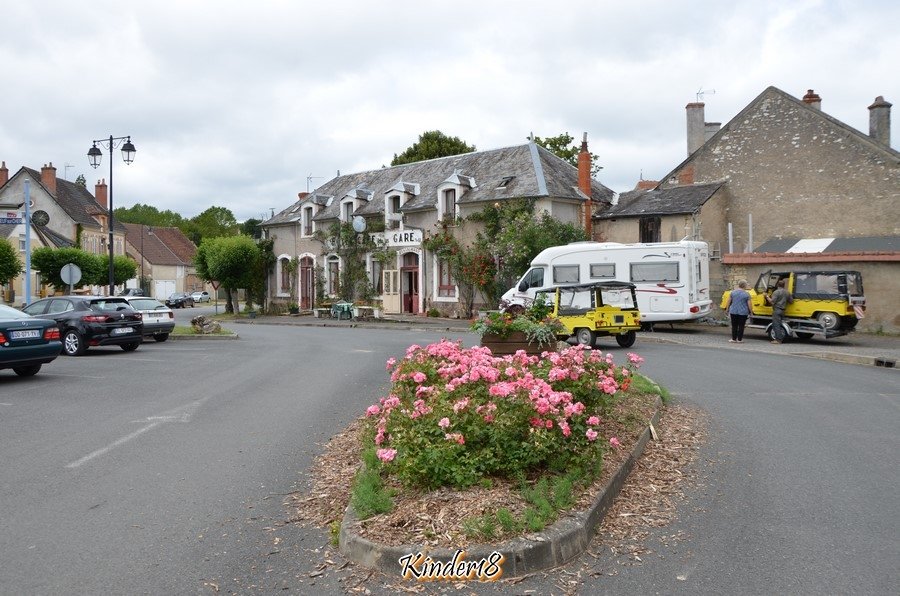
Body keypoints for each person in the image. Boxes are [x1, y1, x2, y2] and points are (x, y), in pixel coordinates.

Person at [769, 278, 793, 344]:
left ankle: (778, 340)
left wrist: (766, 296)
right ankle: (780, 337)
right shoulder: (787, 292)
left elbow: (772, 302)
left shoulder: (776, 292)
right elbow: (791, 301)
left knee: (776, 325)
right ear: (784, 285)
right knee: (780, 324)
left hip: (777, 310)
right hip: (783, 311)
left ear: (777, 285)